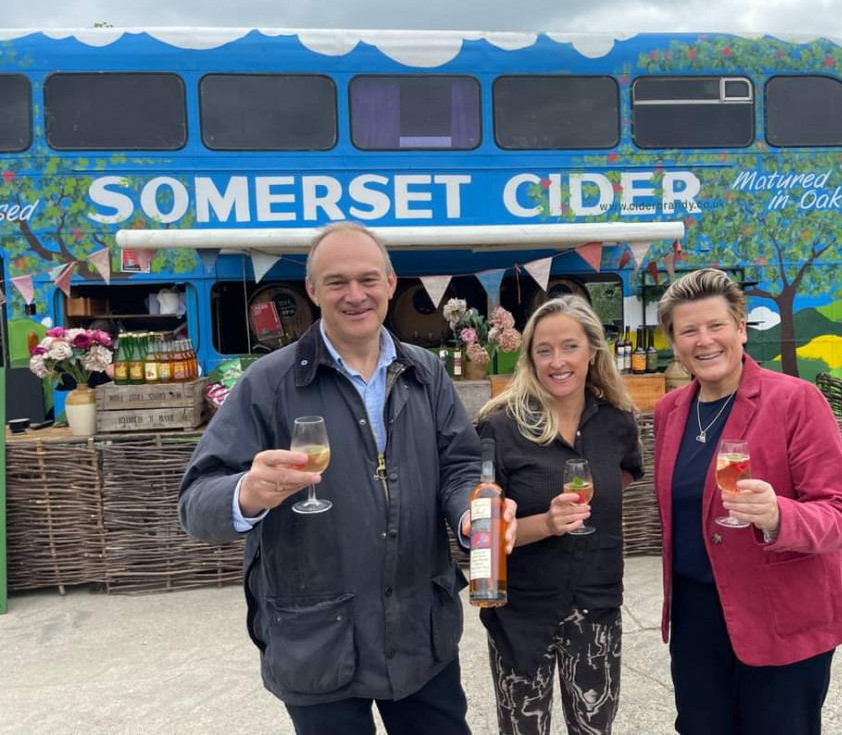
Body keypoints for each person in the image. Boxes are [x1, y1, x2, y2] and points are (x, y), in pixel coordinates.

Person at [178, 222, 517, 735]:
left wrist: (471, 515)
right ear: (313, 291)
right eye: (336, 282)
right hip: (317, 640)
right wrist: (245, 493)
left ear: (390, 282)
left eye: (367, 279)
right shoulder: (268, 383)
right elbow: (196, 502)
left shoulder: (426, 372)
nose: (354, 295)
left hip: (419, 632)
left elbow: (460, 467)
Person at [652, 268, 842, 734]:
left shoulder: (796, 401)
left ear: (741, 329)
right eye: (688, 330)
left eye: (716, 326)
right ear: (674, 342)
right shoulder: (669, 411)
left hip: (781, 615)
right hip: (697, 620)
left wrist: (778, 516)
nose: (704, 341)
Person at [476, 295, 643, 735]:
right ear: (529, 357)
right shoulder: (500, 426)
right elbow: (483, 537)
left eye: (569, 346)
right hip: (522, 615)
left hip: (596, 606)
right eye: (543, 350)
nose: (557, 361)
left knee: (595, 730)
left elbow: (623, 476)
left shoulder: (617, 421)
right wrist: (547, 524)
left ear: (592, 351)